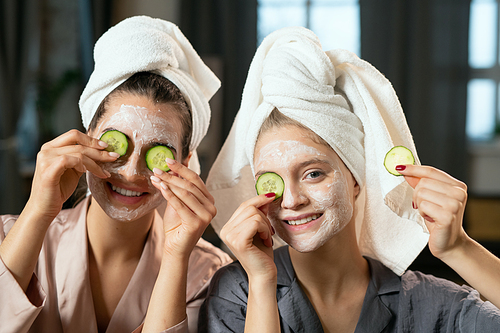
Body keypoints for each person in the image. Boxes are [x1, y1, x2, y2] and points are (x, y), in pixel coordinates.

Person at [199, 27, 500, 332]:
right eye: (270, 182)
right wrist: (262, 281)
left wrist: (459, 248)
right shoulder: (237, 292)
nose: (291, 200)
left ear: (356, 179)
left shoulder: (431, 305)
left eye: (313, 174)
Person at [0, 16, 231, 333]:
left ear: (186, 162)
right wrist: (38, 209)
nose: (132, 172)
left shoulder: (210, 273)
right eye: (115, 145)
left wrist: (177, 255)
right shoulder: (9, 237)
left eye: (157, 153)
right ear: (88, 135)